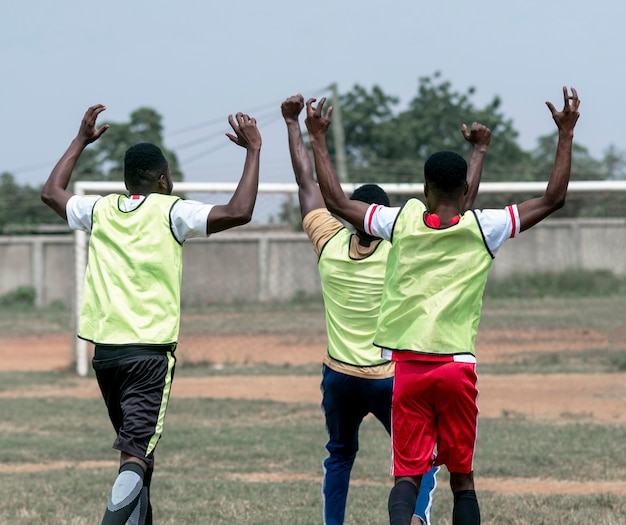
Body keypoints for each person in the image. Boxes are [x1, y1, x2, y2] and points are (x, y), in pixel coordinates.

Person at [304, 87, 580, 525]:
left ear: (424, 188)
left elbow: (336, 202)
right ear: (466, 188)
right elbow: (553, 199)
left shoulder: (402, 221)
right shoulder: (482, 228)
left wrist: (317, 137)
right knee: (462, 481)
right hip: (457, 369)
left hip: (409, 371)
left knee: (407, 478)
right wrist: (565, 134)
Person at [41, 103, 262, 525]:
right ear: (162, 178)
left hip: (105, 355)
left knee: (142, 452)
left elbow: (51, 192)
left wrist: (80, 141)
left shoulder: (101, 210)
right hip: (149, 356)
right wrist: (253, 151)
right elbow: (239, 211)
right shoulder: (172, 210)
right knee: (135, 456)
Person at [281, 94, 491, 525]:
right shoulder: (403, 243)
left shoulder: (329, 243)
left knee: (338, 456)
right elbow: (459, 208)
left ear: (351, 217)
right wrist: (478, 152)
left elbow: (310, 187)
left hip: (339, 375)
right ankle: (419, 518)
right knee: (420, 460)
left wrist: (295, 127)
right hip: (390, 377)